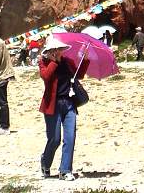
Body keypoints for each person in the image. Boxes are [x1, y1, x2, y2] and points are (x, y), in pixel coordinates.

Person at [38, 35, 88, 181]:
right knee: (54, 139)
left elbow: (79, 74)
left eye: (59, 49)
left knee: (70, 138)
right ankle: (45, 162)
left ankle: (65, 170)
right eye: (55, 50)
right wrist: (54, 62)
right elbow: (46, 77)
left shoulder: (67, 62)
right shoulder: (44, 63)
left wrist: (84, 60)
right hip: (52, 106)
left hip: (69, 104)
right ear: (49, 51)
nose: (58, 52)